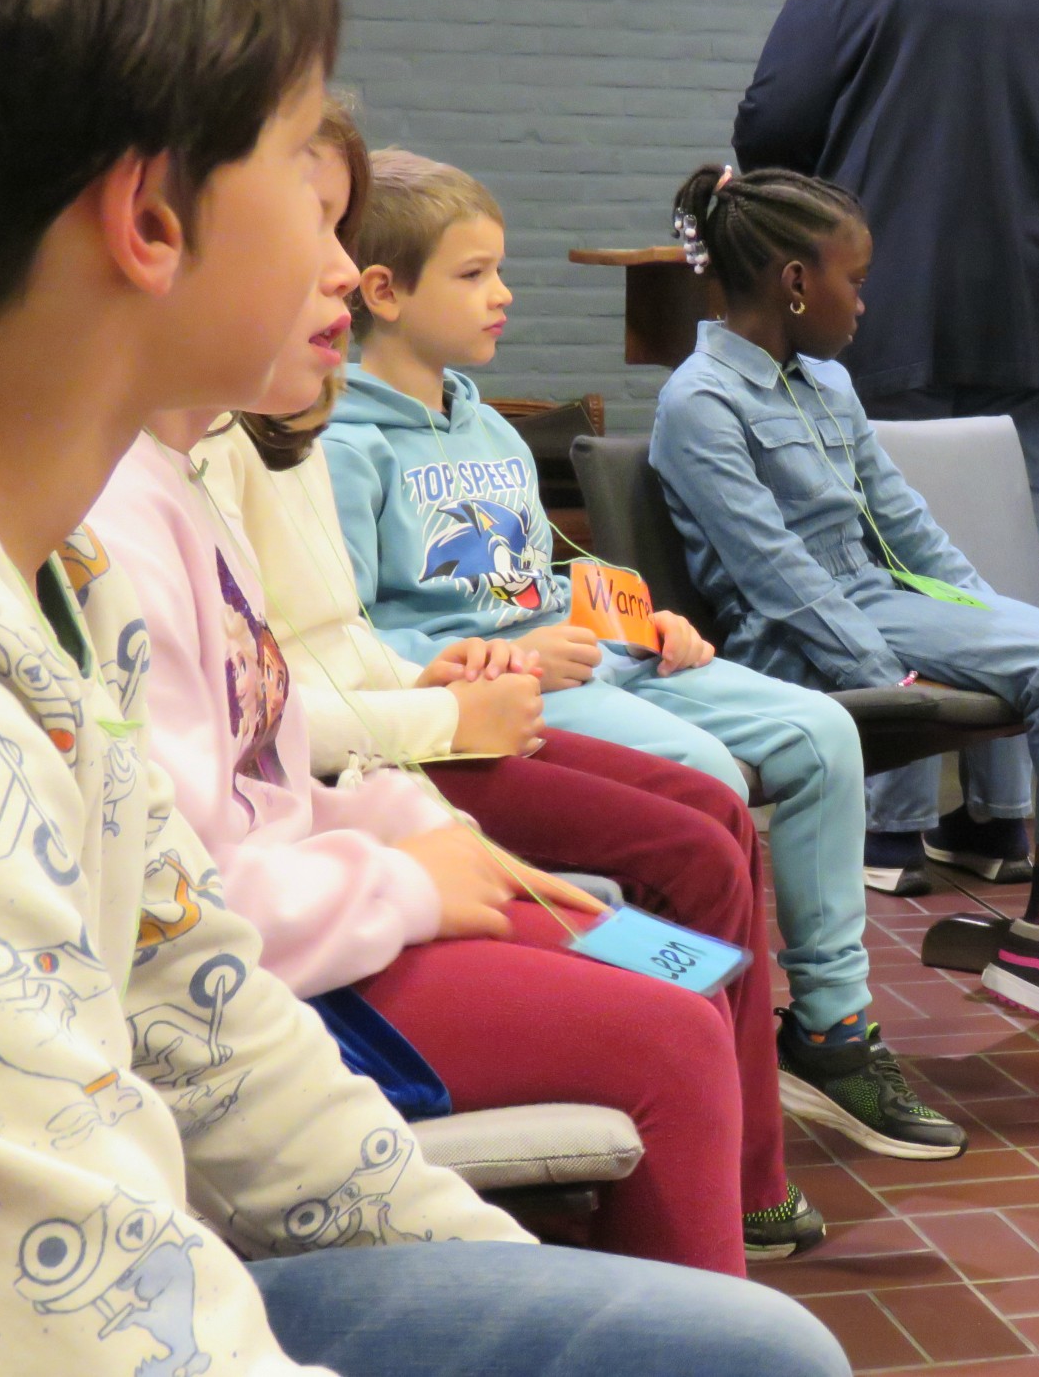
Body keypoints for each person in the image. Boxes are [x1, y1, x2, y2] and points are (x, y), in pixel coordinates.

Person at [0, 0, 849, 1375]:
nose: (346, 261)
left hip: (153, 1252)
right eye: (307, 169)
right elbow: (78, 1310)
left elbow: (194, 1001)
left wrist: (500, 1282)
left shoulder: (60, 585)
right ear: (150, 217)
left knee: (734, 1347)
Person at [190, 102, 817, 1263]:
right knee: (674, 947)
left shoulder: (257, 444)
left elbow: (313, 676)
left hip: (391, 803)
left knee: (693, 883)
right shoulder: (232, 464)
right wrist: (437, 731)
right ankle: (728, 1182)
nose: (333, 278)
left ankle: (739, 1162)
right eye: (313, 234)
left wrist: (436, 686)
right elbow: (245, 781)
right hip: (345, 892)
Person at [320, 150, 968, 1165]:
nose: (504, 294)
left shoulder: (484, 422)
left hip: (587, 657)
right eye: (474, 274)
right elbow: (351, 633)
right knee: (699, 782)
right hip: (498, 690)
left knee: (820, 731)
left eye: (500, 269)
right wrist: (502, 653)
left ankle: (831, 1031)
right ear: (384, 293)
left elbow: (536, 575)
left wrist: (636, 618)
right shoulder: (341, 443)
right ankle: (704, 1039)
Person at [651, 164, 1039, 1061]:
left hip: (889, 605)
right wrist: (887, 677)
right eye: (852, 281)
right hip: (802, 641)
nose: (863, 303)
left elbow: (905, 523)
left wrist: (992, 620)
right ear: (794, 283)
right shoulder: (698, 403)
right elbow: (775, 575)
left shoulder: (827, 385)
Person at [733, 0, 1039, 889]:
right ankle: (1001, 820)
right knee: (1000, 560)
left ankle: (889, 828)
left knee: (872, 555)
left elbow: (772, 123)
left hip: (892, 299)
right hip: (1033, 309)